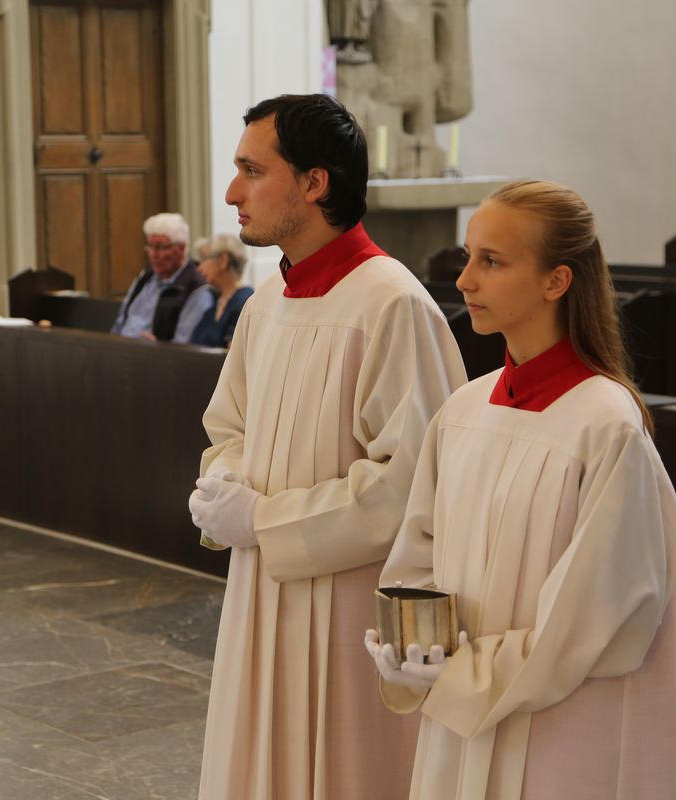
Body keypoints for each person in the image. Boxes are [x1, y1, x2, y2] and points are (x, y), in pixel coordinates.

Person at [366, 180, 676, 799]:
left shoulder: (604, 425)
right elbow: (420, 548)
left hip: (563, 725)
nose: (465, 280)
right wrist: (412, 642)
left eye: (491, 261)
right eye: (468, 257)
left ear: (556, 281)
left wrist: (460, 672)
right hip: (459, 705)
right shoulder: (463, 409)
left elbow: (599, 615)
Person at [187, 93, 467, 800]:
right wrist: (223, 489)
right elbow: (228, 429)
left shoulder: (391, 304)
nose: (232, 193)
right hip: (262, 590)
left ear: (315, 183)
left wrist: (263, 521)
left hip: (348, 609)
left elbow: (413, 485)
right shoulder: (266, 304)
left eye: (252, 171)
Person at [109, 212, 209, 341]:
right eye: (150, 246)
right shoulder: (145, 277)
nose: (153, 254)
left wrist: (156, 348)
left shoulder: (196, 288)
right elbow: (120, 323)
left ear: (181, 248)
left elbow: (185, 348)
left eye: (161, 247)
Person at [172, 234, 254, 348]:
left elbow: (232, 355)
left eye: (204, 259)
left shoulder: (245, 300)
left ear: (223, 261)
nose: (199, 268)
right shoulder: (215, 302)